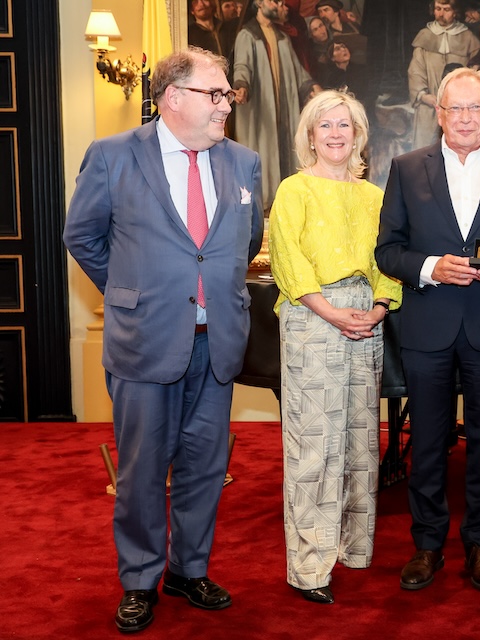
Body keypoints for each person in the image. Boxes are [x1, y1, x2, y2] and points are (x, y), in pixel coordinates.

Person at [63, 47, 264, 634]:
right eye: (216, 94)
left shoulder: (244, 162)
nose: (227, 104)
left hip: (217, 342)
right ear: (173, 97)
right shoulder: (112, 156)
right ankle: (139, 579)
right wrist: (134, 292)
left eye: (227, 94)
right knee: (143, 470)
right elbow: (83, 237)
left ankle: (188, 569)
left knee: (205, 467)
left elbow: (245, 242)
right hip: (144, 341)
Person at [375, 67, 480, 593]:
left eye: (476, 108)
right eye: (455, 108)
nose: (465, 118)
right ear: (439, 114)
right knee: (425, 442)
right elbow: (388, 249)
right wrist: (429, 268)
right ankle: (427, 545)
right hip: (428, 326)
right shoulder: (405, 168)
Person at [268, 90, 402, 605]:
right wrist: (330, 312)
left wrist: (378, 308)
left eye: (344, 124)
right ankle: (309, 565)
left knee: (359, 438)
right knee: (315, 444)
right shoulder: (294, 189)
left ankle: (353, 546)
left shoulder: (374, 197)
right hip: (311, 319)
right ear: (310, 135)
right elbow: (288, 259)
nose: (336, 133)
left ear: (359, 133)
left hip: (366, 321)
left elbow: (387, 260)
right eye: (325, 126)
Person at [233, 0, 321, 210]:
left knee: (285, 150)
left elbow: (298, 71)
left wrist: (311, 86)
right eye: (275, 1)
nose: (280, 4)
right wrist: (241, 85)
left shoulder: (282, 37)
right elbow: (241, 65)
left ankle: (285, 202)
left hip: (283, 110)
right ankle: (263, 204)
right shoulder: (247, 35)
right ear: (259, 3)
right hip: (262, 111)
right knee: (264, 149)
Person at [407, 0, 480, 149]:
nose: (441, 13)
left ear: (455, 12)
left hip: (460, 107)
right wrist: (423, 95)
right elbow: (415, 71)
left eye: (446, 9)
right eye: (438, 9)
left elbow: (476, 70)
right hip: (429, 105)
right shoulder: (424, 35)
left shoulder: (467, 37)